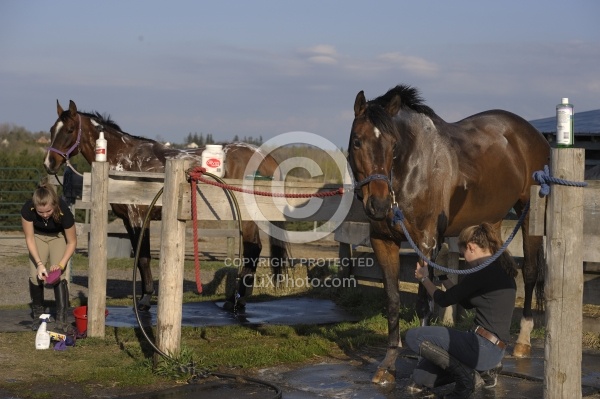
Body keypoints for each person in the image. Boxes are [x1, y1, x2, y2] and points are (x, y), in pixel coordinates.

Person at [405, 223, 518, 399]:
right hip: (491, 351)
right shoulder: (498, 268)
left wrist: (424, 278)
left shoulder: (483, 271)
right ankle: (482, 372)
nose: (464, 258)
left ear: (471, 247)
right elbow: (464, 302)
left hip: (482, 346)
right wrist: (441, 276)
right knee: (422, 377)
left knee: (413, 336)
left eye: (463, 253)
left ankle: (467, 379)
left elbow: (444, 300)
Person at [21, 178, 77, 333]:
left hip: (58, 237)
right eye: (41, 212)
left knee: (59, 276)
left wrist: (60, 265)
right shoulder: (27, 209)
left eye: (48, 211)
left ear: (54, 205)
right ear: (35, 207)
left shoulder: (64, 211)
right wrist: (39, 264)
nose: (45, 215)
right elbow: (29, 238)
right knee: (35, 275)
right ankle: (38, 315)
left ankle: (61, 318)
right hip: (38, 237)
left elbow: (72, 242)